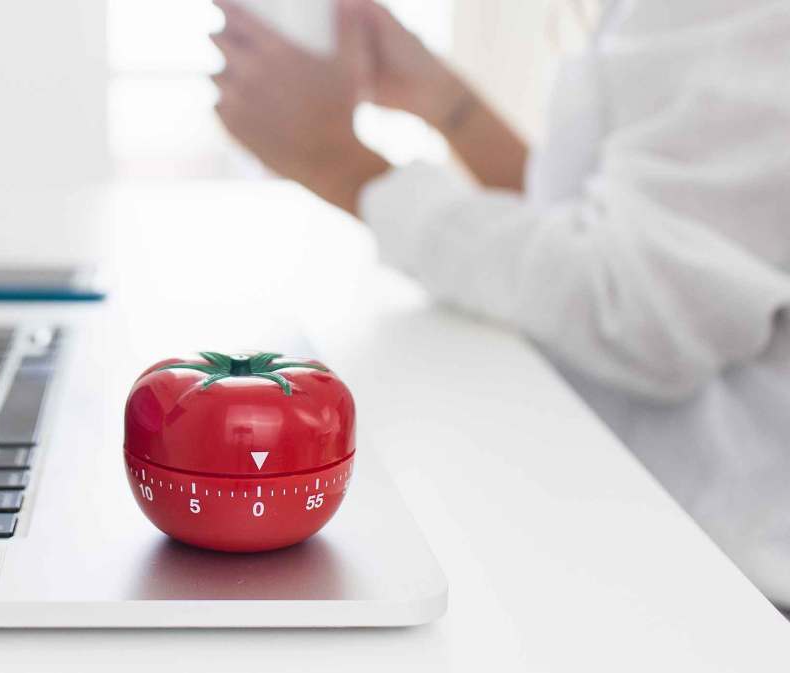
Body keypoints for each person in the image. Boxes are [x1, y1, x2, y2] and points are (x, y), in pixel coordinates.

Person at [210, 0, 790, 608]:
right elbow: (611, 229)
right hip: (661, 529)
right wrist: (445, 102)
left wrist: (340, 164)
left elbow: (641, 314)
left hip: (728, 585)